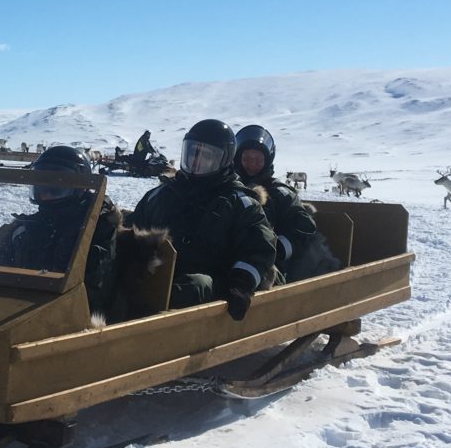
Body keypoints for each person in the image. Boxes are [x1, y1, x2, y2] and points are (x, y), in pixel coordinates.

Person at [129, 119, 278, 320]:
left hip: (210, 285)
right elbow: (131, 230)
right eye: (192, 153)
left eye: (206, 156)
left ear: (224, 160)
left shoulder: (240, 202)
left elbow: (260, 247)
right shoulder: (161, 195)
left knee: (196, 283)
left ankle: (152, 339)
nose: (196, 161)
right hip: (155, 274)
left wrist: (240, 283)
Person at [0, 145, 122, 320]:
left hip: (69, 319)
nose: (45, 195)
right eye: (40, 187)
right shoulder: (26, 227)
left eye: (55, 188)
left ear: (80, 187)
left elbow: (91, 290)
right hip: (16, 313)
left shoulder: (96, 228)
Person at [234, 124, 340, 283]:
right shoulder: (230, 187)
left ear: (267, 160)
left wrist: (276, 249)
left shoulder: (280, 193)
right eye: (247, 158)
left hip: (270, 267)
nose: (251, 164)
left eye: (258, 159)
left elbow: (304, 228)